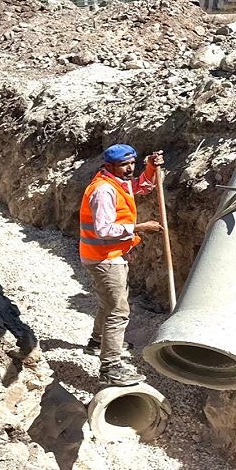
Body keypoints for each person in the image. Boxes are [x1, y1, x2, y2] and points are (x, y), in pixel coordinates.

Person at [80, 143, 163, 387]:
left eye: (132, 164)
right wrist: (140, 228)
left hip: (108, 254)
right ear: (109, 166)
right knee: (118, 310)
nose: (129, 169)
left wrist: (150, 168)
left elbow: (141, 186)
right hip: (103, 257)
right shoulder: (104, 191)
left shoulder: (117, 181)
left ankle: (98, 341)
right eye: (124, 165)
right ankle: (111, 367)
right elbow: (104, 229)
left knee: (110, 302)